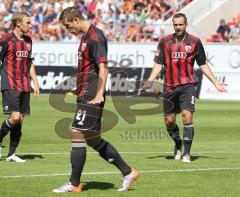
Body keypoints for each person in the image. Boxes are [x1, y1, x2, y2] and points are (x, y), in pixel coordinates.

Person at [53, 7, 139, 193]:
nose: (68, 30)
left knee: (76, 131)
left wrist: (99, 93)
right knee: (92, 139)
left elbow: (103, 67)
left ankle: (74, 184)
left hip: (92, 95)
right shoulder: (85, 37)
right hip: (85, 93)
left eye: (68, 26)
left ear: (76, 20)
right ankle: (128, 172)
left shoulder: (95, 36)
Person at [143, 13, 227, 163]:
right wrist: (150, 80)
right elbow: (158, 63)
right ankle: (178, 143)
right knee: (169, 121)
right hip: (169, 86)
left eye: (181, 24)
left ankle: (187, 154)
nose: (178, 27)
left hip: (188, 85)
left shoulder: (195, 41)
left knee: (187, 116)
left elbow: (202, 63)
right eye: (176, 25)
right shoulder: (164, 41)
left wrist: (215, 82)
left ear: (186, 24)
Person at [0, 12, 40, 162]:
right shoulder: (6, 40)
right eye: (28, 23)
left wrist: (35, 82)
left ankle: (11, 154)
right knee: (15, 117)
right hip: (10, 83)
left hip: (24, 85)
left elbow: (29, 63)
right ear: (18, 24)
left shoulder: (29, 41)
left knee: (20, 119)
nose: (31, 25)